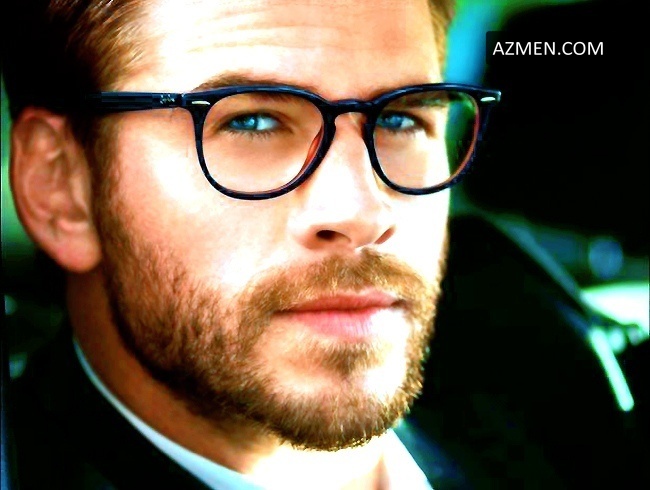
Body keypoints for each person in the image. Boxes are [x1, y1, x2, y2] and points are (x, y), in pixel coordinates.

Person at [1, 1, 500, 488]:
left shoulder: (529, 375)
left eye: (400, 120)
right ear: (61, 188)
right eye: (251, 121)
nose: (364, 215)